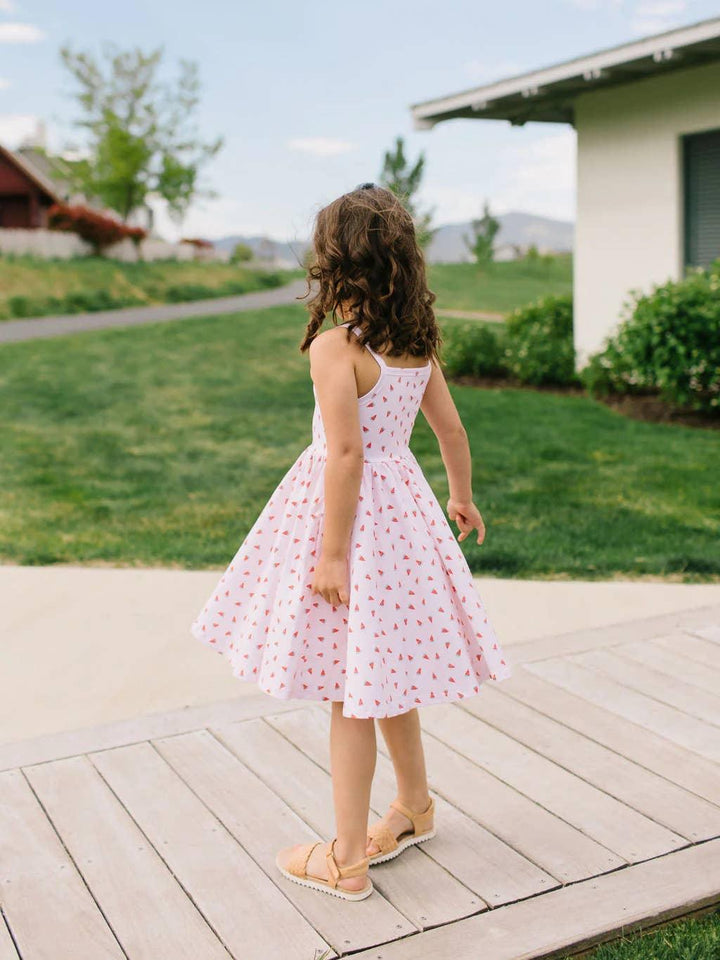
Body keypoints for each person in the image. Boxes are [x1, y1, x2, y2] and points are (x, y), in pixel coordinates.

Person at [190, 182, 512, 902]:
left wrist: (331, 554)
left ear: (335, 262)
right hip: (404, 520)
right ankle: (417, 808)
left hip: (353, 528)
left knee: (349, 690)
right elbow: (451, 431)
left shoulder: (339, 347)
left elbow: (344, 455)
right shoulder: (418, 344)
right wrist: (459, 496)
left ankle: (346, 861)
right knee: (382, 668)